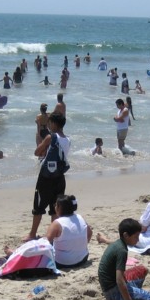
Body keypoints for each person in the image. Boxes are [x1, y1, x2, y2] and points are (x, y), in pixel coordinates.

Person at [96, 218, 150, 300]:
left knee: (143, 270)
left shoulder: (118, 243)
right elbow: (119, 280)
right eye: (136, 236)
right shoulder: (122, 251)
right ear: (126, 235)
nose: (138, 240)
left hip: (110, 285)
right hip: (113, 289)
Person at [26, 112, 70, 241]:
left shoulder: (50, 138)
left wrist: (44, 147)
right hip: (60, 177)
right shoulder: (68, 139)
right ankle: (53, 235)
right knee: (55, 207)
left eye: (50, 123)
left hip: (46, 177)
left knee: (39, 206)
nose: (49, 125)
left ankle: (32, 234)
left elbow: (37, 152)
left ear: (54, 124)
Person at [44, 194, 92, 269]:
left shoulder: (57, 223)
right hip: (83, 258)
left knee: (50, 242)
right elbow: (89, 233)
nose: (55, 207)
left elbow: (46, 243)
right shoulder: (80, 217)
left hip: (62, 262)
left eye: (56, 205)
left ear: (59, 207)